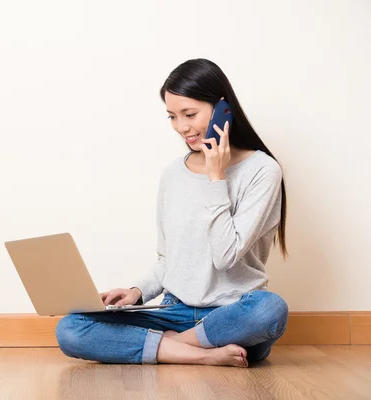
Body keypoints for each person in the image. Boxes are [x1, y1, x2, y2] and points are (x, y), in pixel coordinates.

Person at [55, 58, 289, 367]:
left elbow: (225, 256)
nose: (182, 127)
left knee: (270, 310)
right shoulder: (173, 175)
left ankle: (170, 347)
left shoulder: (262, 170)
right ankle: (203, 355)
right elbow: (169, 259)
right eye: (172, 116)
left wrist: (215, 178)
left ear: (223, 108)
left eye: (190, 114)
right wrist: (137, 292)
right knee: (71, 328)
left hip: (231, 316)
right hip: (174, 311)